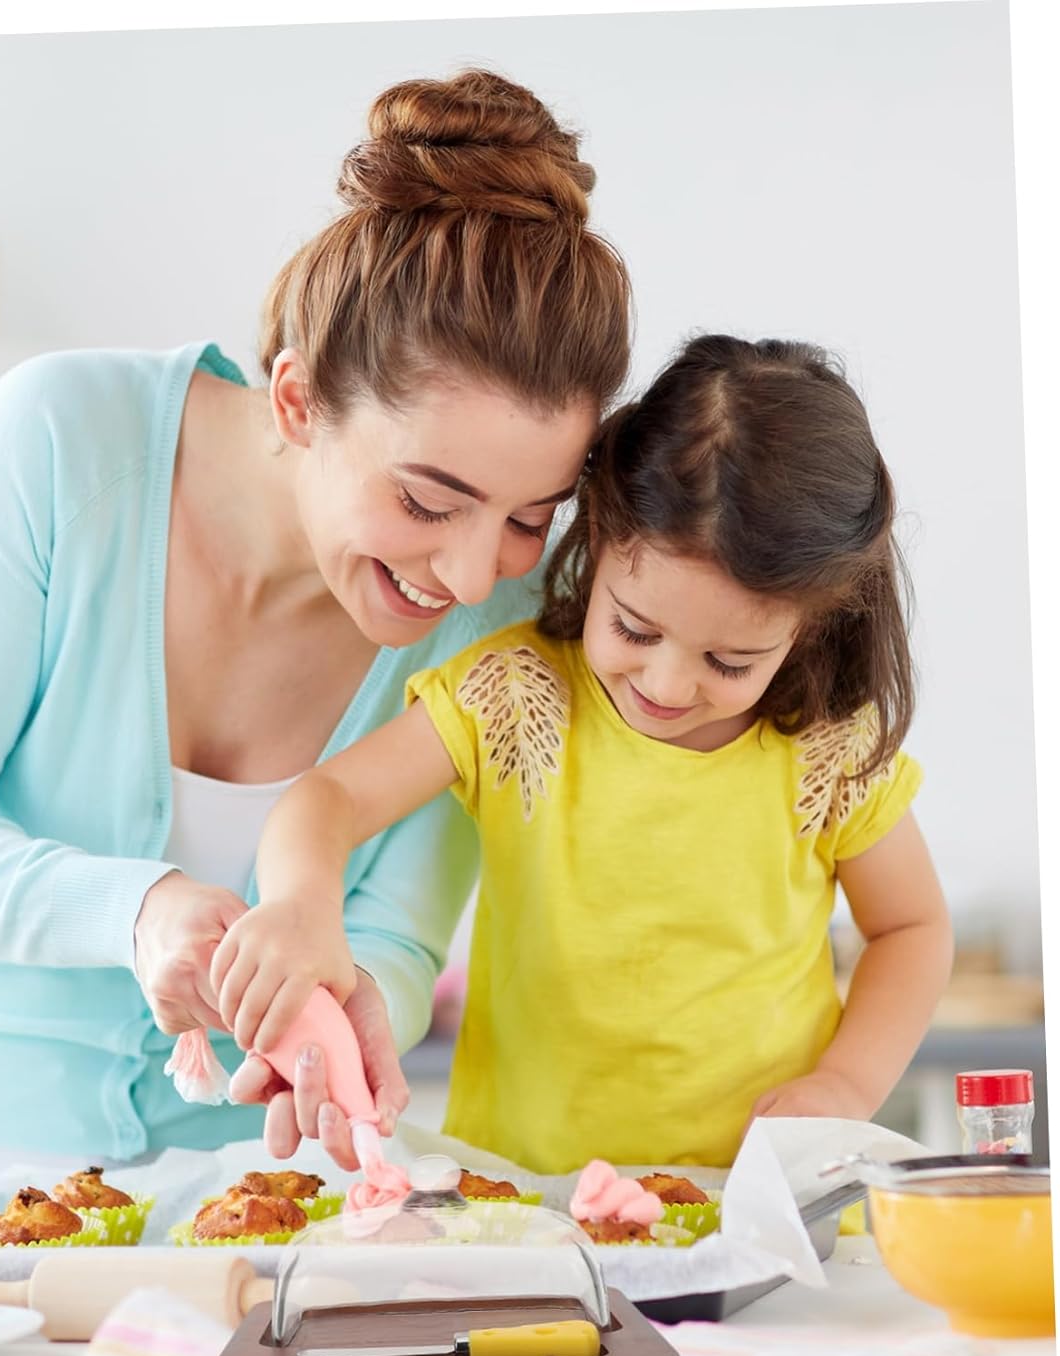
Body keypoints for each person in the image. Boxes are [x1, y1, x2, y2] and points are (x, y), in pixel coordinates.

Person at [0, 68, 632, 1205]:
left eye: (526, 516)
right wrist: (139, 910)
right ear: (300, 402)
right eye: (425, 501)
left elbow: (401, 935)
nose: (468, 574)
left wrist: (361, 997)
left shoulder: (510, 615)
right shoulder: (62, 441)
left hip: (256, 1176)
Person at [214, 334, 954, 1174]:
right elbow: (325, 801)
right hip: (527, 1200)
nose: (669, 685)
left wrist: (848, 1085)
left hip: (748, 1200)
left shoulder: (826, 749)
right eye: (634, 628)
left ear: (811, 624)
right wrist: (304, 909)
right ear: (597, 538)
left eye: (729, 662)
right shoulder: (514, 696)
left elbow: (913, 928)